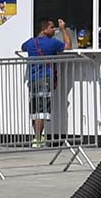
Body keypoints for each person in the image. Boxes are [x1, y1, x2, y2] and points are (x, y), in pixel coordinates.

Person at [19, 18, 68, 147]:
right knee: (42, 110)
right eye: (52, 27)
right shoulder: (52, 43)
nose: (54, 29)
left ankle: (37, 137)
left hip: (33, 79)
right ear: (44, 29)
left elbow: (22, 47)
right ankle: (38, 138)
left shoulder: (31, 42)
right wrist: (63, 30)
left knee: (35, 109)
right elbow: (68, 46)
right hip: (45, 79)